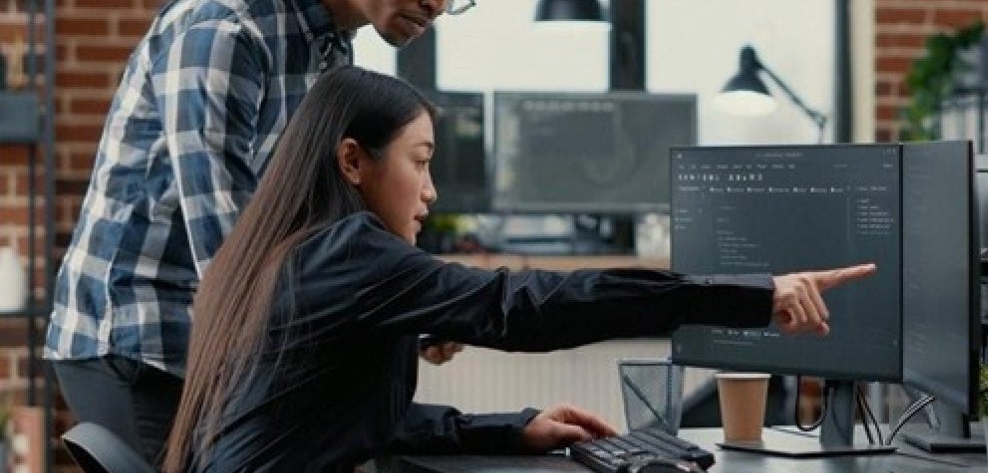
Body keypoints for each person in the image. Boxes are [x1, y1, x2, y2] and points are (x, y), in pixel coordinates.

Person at [160, 66, 877, 473]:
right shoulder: (345, 251)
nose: (432, 190)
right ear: (353, 161)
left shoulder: (270, 253)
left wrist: (511, 427)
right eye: (420, 161)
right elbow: (525, 303)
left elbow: (352, 425)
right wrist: (754, 294)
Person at [44, 0, 487, 464]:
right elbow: (229, 243)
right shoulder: (228, 28)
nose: (436, 0)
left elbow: (316, 227)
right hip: (139, 338)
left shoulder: (331, 56)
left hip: (213, 342)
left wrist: (402, 312)